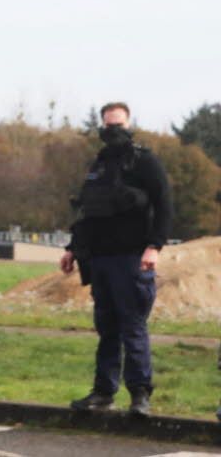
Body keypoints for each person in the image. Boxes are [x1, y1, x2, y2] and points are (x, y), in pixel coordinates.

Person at [61, 102, 173, 418]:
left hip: (132, 258)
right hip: (100, 260)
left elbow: (165, 206)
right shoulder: (97, 167)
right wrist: (72, 248)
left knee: (132, 327)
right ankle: (103, 392)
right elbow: (86, 212)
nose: (113, 132)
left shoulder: (144, 162)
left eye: (119, 125)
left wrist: (155, 246)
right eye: (108, 126)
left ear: (129, 124)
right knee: (107, 328)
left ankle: (140, 396)